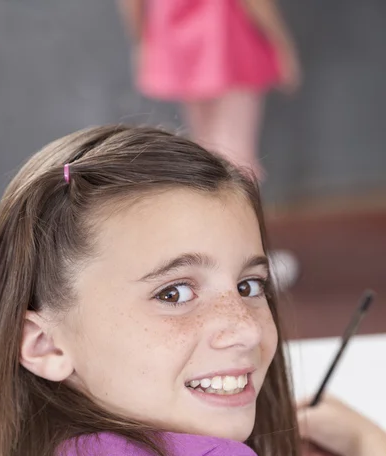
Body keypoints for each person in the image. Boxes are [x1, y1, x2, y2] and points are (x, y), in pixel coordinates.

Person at [0, 125, 385, 456]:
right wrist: (369, 443)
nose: (246, 328)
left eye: (249, 286)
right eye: (173, 293)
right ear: (44, 345)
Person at [119, 0, 302, 289]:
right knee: (236, 156)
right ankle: (246, 261)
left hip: (176, 32)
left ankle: (212, 258)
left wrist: (143, 38)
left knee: (208, 154)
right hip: (229, 36)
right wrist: (280, 41)